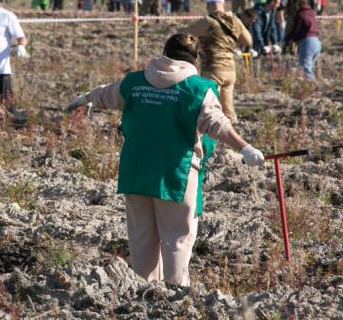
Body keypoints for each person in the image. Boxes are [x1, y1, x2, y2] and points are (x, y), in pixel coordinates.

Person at [66, 33, 265, 286]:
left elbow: (106, 94)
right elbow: (217, 124)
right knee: (177, 239)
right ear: (195, 59)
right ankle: (174, 296)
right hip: (175, 175)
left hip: (136, 173)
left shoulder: (135, 82)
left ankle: (144, 294)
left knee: (141, 238)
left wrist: (85, 99)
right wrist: (244, 147)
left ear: (164, 53)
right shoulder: (198, 89)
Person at [180, 0, 251, 123]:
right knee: (228, 109)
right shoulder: (235, 20)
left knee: (210, 107)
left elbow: (184, 35)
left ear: (209, 5)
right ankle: (232, 135)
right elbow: (248, 40)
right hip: (230, 69)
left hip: (212, 69)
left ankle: (209, 138)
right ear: (223, 4)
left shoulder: (208, 22)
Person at [284, 0, 321, 80]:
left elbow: (296, 30)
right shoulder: (311, 12)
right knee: (309, 67)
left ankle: (312, 87)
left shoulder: (300, 15)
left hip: (307, 43)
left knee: (305, 69)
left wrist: (288, 40)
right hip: (316, 41)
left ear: (298, 4)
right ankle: (312, 86)